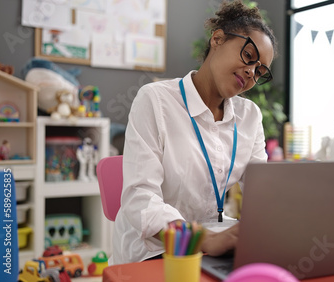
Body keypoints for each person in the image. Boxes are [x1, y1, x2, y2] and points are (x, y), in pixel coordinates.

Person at [111, 0, 277, 265]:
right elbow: (140, 199)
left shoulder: (250, 116)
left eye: (260, 72)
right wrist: (204, 240)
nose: (251, 72)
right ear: (218, 39)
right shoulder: (155, 100)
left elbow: (262, 194)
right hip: (154, 251)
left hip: (213, 247)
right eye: (248, 56)